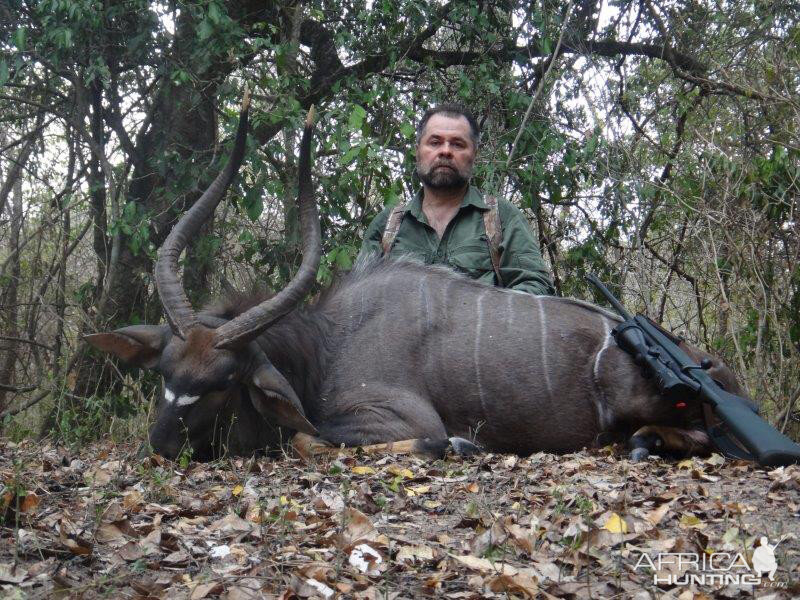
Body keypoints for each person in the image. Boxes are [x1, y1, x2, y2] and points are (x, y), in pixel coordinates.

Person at [357, 104, 554, 295]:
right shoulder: (386, 226)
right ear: (417, 151)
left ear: (474, 154)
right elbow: (360, 299)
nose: (446, 151)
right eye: (435, 142)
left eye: (457, 144)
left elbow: (535, 287)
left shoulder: (503, 218)